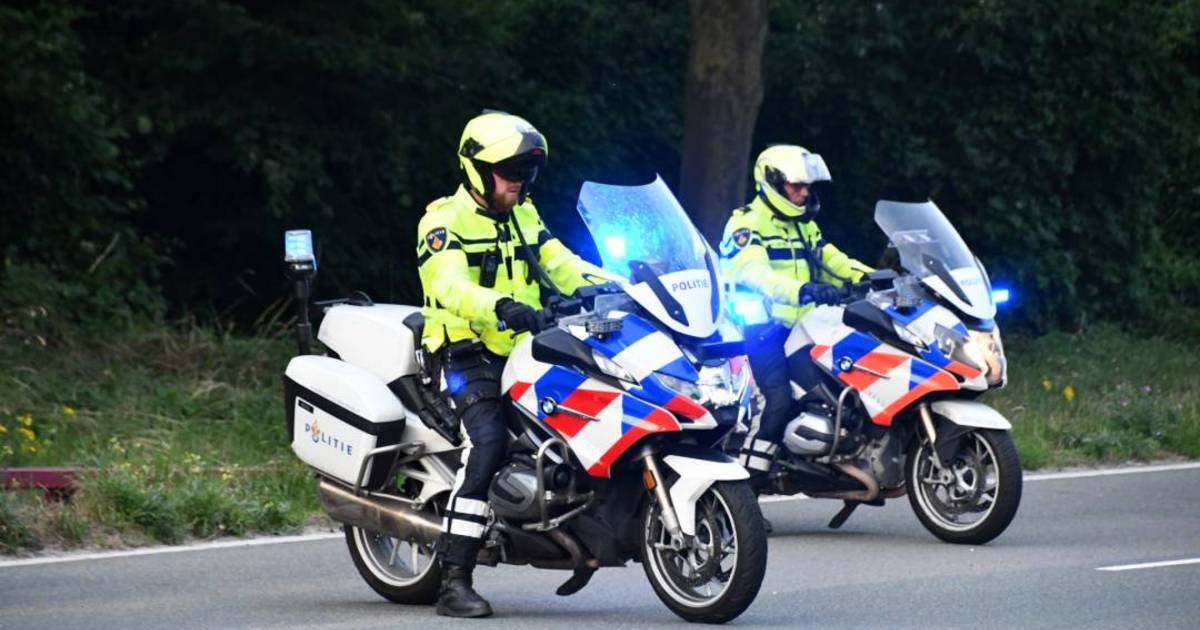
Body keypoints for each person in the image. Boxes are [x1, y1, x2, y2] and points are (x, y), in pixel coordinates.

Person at [416, 111, 609, 617]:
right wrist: (499, 305)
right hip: (461, 352)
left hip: (520, 347)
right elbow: (448, 286)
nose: (519, 183)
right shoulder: (442, 221)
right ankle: (454, 579)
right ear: (476, 170)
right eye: (509, 172)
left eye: (526, 173)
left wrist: (608, 286)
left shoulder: (524, 212)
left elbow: (560, 261)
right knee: (489, 441)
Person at [718, 145, 872, 490]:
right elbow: (755, 273)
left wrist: (877, 277)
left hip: (806, 328)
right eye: (795, 185)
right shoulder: (745, 224)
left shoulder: (803, 225)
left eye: (807, 186)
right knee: (777, 401)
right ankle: (744, 492)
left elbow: (833, 260)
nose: (804, 192)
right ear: (771, 180)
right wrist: (804, 289)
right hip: (759, 329)